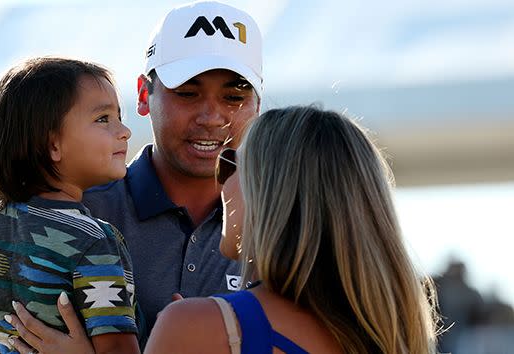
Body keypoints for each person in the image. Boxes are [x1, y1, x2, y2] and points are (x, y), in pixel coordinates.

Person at [0, 1, 263, 352]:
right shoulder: (59, 204)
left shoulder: (286, 227)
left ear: (259, 105)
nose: (211, 116)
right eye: (187, 92)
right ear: (143, 94)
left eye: (234, 96)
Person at [144, 105, 440, 353]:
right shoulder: (395, 339)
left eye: (231, 164)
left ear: (269, 192)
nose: (221, 182)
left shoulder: (200, 328)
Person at [0, 57, 139, 354]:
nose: (124, 131)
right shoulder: (95, 241)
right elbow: (119, 348)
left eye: (119, 117)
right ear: (52, 145)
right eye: (103, 119)